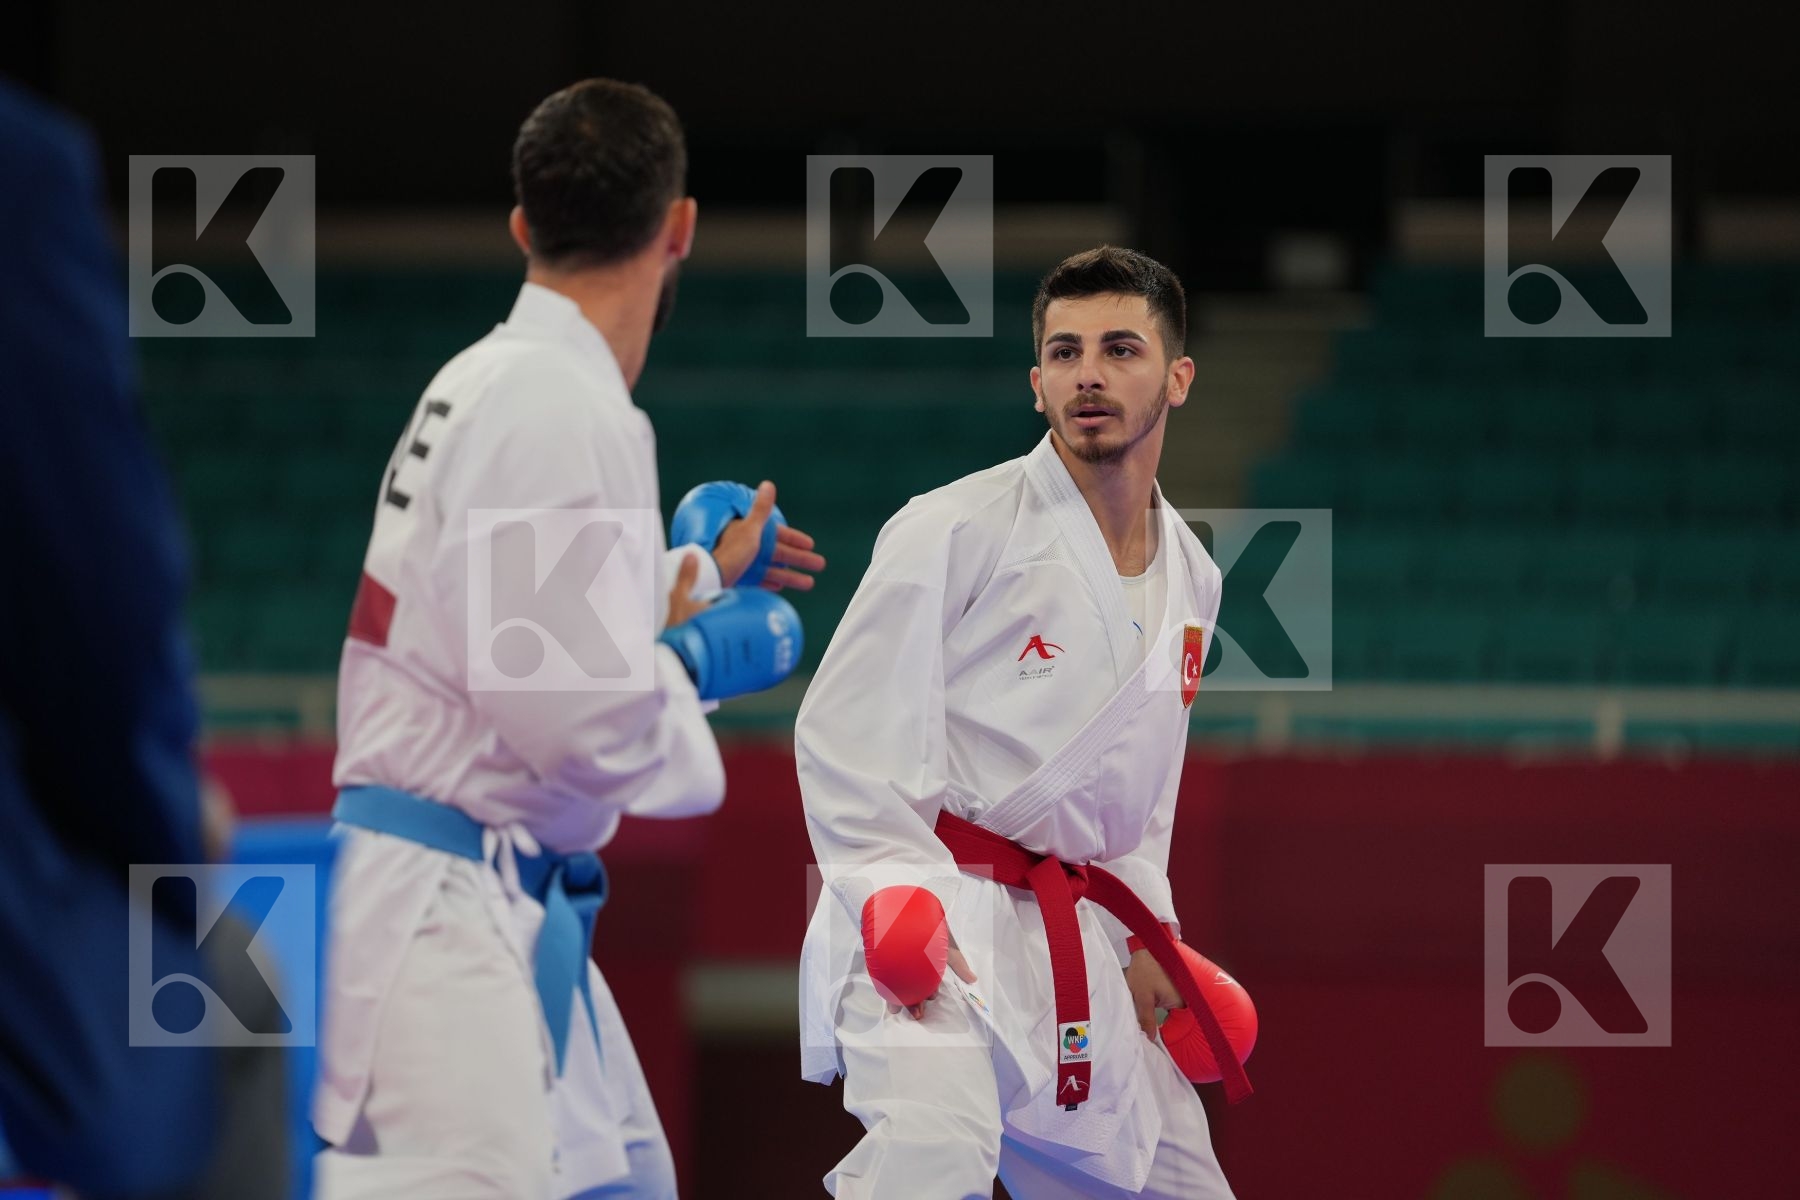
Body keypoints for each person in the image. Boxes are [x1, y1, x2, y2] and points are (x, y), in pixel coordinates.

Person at [312, 79, 821, 1199]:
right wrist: (687, 666)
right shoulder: (553, 403)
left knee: (625, 1179)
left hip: (487, 890)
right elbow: (572, 720)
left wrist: (692, 577)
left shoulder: (498, 380)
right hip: (445, 916)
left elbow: (513, 616)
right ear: (680, 226)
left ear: (521, 229)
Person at [796, 246, 1245, 1198]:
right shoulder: (955, 525)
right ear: (1036, 382)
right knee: (935, 1155)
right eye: (1065, 351)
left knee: (1175, 1183)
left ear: (1178, 377)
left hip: (1071, 929)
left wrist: (1149, 941)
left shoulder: (1195, 578)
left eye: (1121, 348)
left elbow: (1137, 793)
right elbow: (843, 727)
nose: (1090, 372)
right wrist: (886, 889)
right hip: (933, 910)